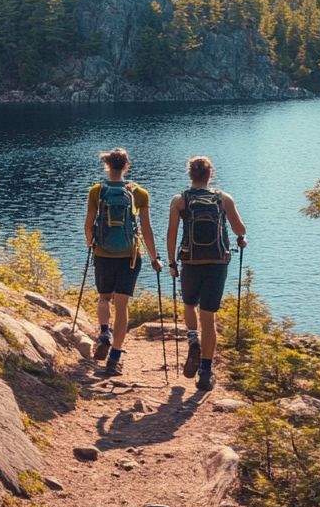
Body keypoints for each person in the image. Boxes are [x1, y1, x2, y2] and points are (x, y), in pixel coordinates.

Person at [166, 155, 247, 391]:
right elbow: (239, 228)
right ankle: (205, 371)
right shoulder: (223, 199)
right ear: (210, 174)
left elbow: (171, 234)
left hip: (190, 261)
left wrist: (172, 262)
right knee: (209, 316)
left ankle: (193, 339)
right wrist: (242, 238)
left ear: (190, 174)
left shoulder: (180, 200)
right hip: (217, 261)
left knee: (190, 304)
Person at [84, 148, 163, 376]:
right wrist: (153, 258)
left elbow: (88, 225)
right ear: (126, 166)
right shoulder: (139, 193)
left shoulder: (97, 191)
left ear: (107, 166)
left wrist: (92, 245)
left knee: (104, 298)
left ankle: (104, 333)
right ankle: (115, 356)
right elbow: (146, 230)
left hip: (103, 253)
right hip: (130, 257)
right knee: (122, 305)